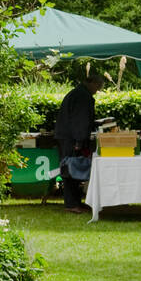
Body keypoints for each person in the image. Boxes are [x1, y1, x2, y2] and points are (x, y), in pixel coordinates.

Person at [55, 73, 103, 213]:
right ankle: (71, 204)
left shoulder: (79, 93)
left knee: (73, 168)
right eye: (98, 87)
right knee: (70, 169)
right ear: (92, 83)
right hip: (71, 137)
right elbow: (80, 121)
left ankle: (75, 202)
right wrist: (79, 141)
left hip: (68, 135)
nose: (97, 90)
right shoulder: (83, 96)